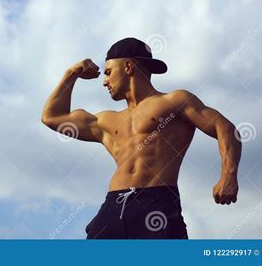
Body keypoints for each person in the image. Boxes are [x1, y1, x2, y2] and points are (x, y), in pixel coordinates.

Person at [41, 37, 242, 239]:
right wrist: (71, 74)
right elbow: (52, 117)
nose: (104, 81)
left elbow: (224, 128)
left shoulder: (174, 101)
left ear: (128, 66)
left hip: (156, 203)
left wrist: (228, 176)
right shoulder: (106, 120)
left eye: (108, 72)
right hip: (113, 204)